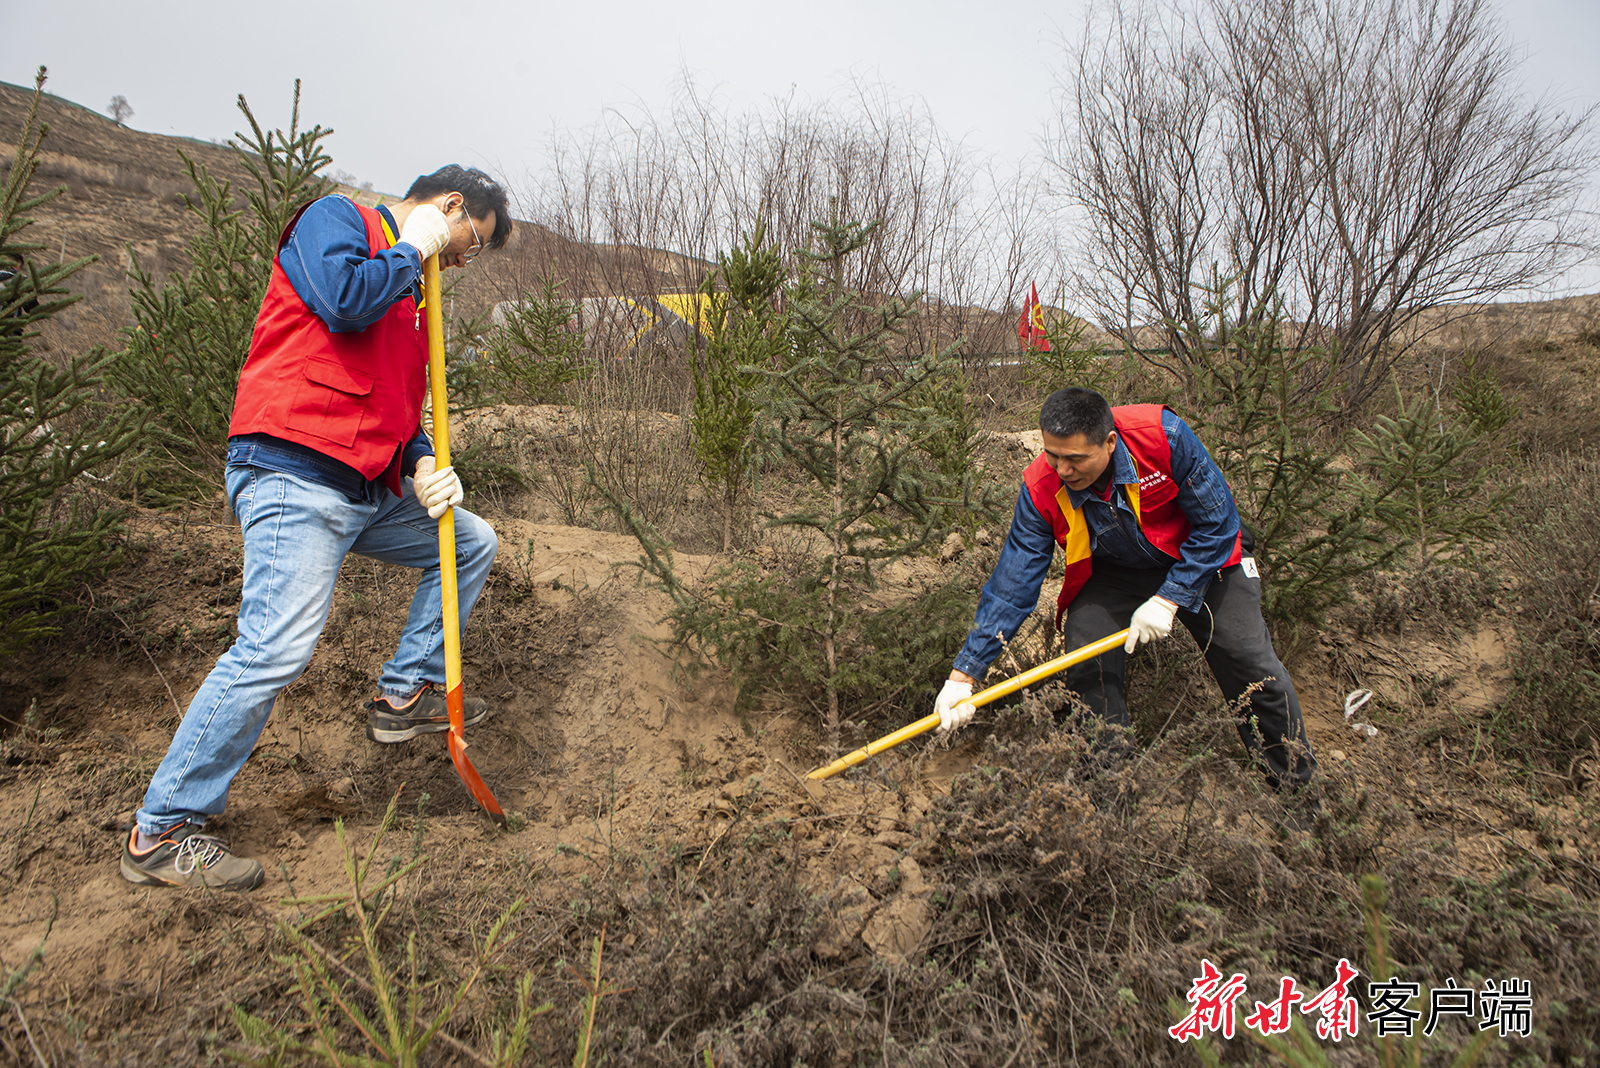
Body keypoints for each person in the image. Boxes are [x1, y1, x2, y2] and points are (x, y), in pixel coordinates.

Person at [121, 166, 513, 891]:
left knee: (469, 540)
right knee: (274, 646)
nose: (462, 259)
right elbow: (342, 302)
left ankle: (403, 696)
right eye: (470, 240)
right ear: (449, 206)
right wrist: (411, 247)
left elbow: (393, 406)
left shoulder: (414, 298)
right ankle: (163, 827)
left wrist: (423, 465)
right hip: (296, 474)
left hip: (361, 487)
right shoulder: (340, 222)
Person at [934, 387, 1316, 794]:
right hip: (1114, 573)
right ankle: (1110, 796)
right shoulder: (1040, 486)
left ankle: (1299, 795)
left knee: (1249, 662)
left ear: (1109, 442)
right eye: (1053, 455)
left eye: (1075, 459)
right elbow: (1013, 582)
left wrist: (1170, 598)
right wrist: (965, 674)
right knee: (1086, 662)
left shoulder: (1162, 436)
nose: (1062, 469)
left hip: (1205, 558)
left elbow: (1219, 524)